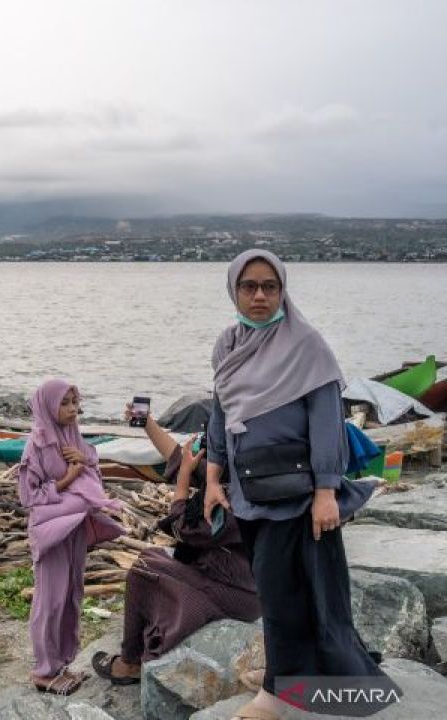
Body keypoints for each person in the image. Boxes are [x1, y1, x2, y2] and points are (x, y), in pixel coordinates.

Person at [203, 249, 396, 720]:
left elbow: (327, 421)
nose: (260, 295)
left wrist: (327, 492)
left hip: (297, 494)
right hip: (249, 492)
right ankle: (310, 672)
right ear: (234, 290)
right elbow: (221, 416)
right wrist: (212, 479)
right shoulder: (228, 345)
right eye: (249, 286)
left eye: (271, 286)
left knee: (284, 590)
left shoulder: (306, 344)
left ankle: (275, 696)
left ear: (283, 290)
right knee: (287, 589)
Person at [91, 408, 260, 685]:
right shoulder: (242, 474)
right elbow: (175, 454)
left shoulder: (231, 497)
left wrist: (184, 476)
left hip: (237, 592)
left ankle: (129, 663)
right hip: (242, 581)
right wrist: (146, 423)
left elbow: (184, 529)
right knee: (154, 557)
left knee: (143, 569)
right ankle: (146, 642)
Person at [18, 378, 125, 695]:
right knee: (50, 599)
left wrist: (84, 464)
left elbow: (94, 478)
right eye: (65, 403)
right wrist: (69, 477)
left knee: (71, 595)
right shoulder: (36, 444)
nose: (72, 409)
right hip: (51, 532)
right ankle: (43, 671)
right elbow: (29, 497)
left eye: (75, 402)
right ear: (48, 405)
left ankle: (61, 664)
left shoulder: (74, 437)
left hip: (75, 526)